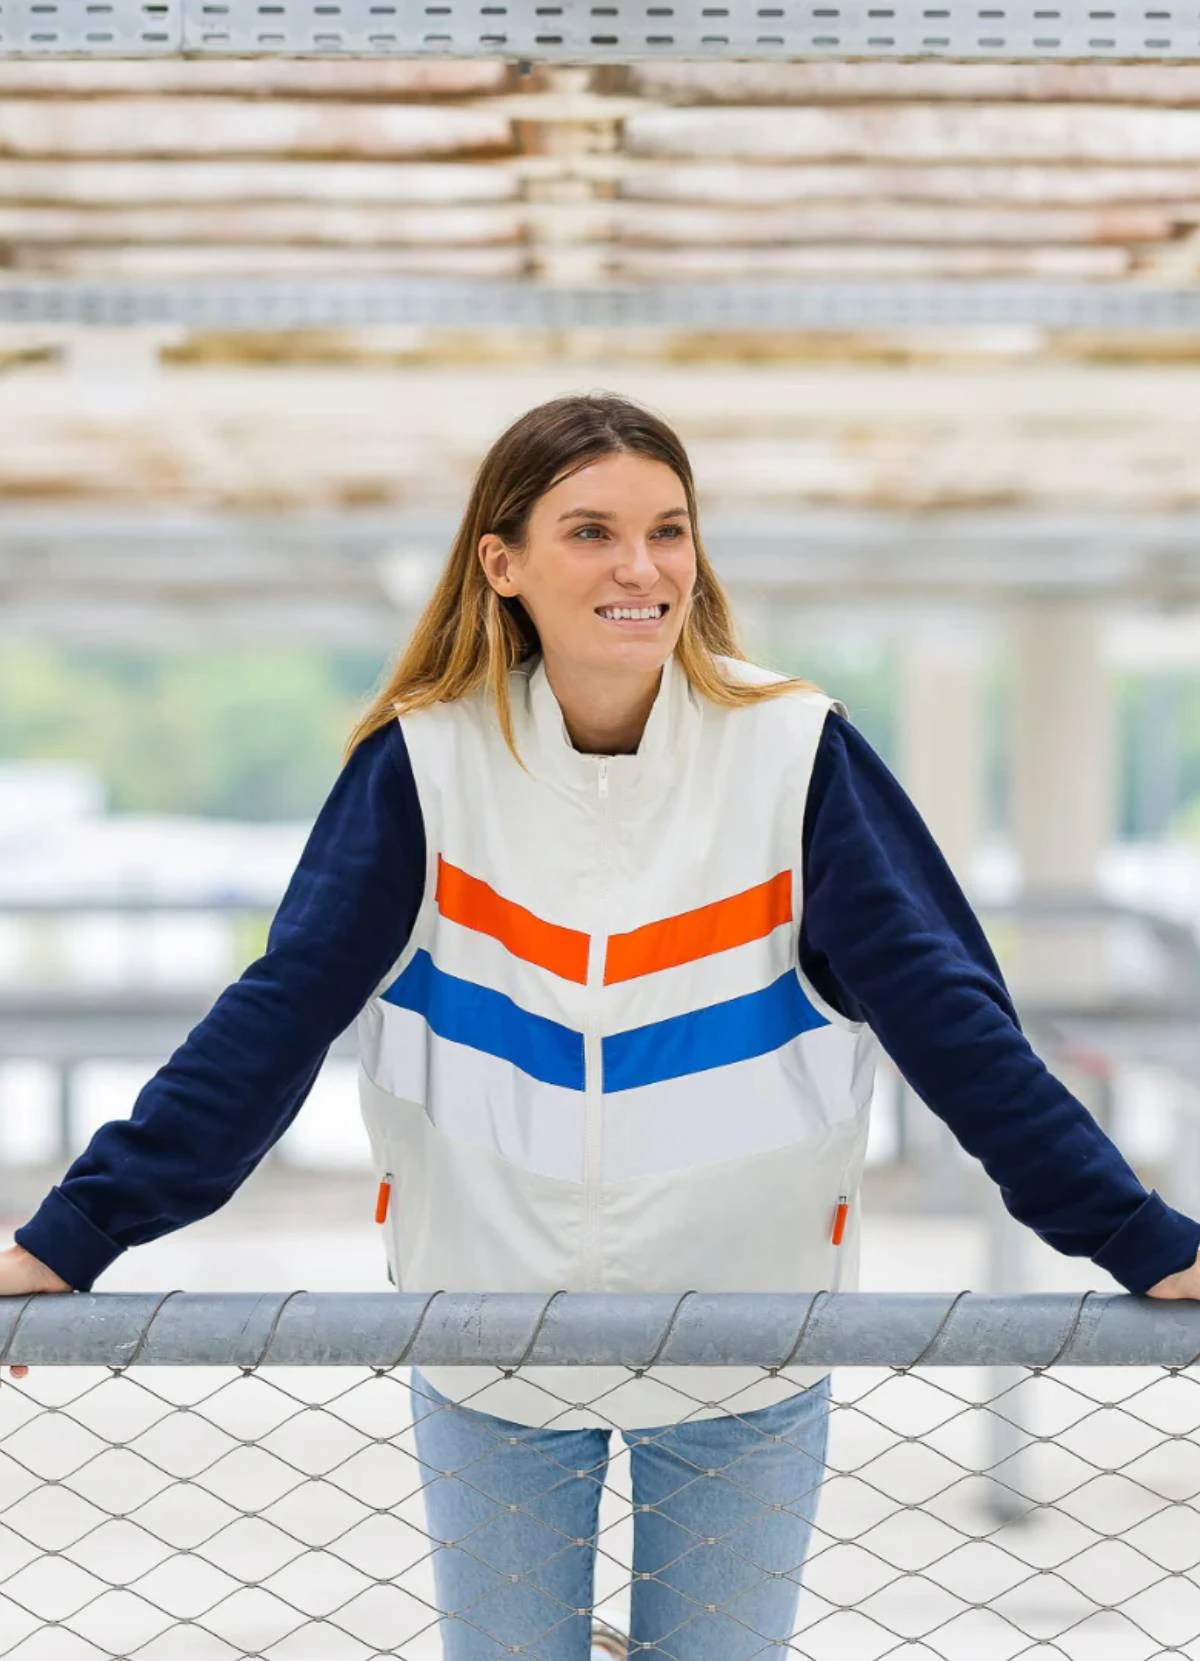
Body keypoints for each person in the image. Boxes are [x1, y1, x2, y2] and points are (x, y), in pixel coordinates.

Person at [4, 391, 1200, 1661]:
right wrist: (71, 1237)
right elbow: (272, 1020)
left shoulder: (796, 754)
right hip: (490, 1343)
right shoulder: (425, 766)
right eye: (592, 532)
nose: (643, 567)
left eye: (669, 530)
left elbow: (954, 1026)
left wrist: (1138, 1237)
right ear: (502, 563)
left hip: (749, 1343)